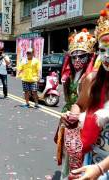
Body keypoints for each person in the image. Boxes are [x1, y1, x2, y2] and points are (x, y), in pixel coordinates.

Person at [63, 4, 109, 179]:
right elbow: (79, 104)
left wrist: (100, 169)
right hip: (92, 160)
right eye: (103, 50)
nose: (107, 56)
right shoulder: (91, 80)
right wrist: (73, 116)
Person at [54, 29, 96, 179]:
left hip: (84, 122)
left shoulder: (91, 77)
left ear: (89, 57)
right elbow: (68, 100)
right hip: (69, 119)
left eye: (82, 56)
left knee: (80, 157)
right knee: (67, 151)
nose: (77, 60)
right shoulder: (71, 76)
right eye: (74, 56)